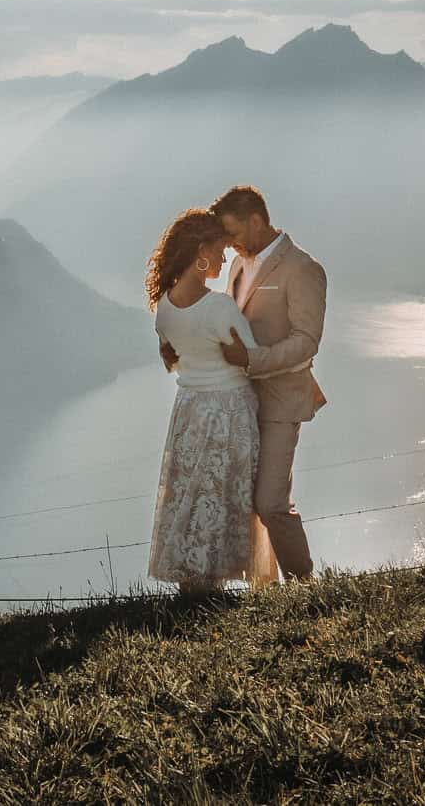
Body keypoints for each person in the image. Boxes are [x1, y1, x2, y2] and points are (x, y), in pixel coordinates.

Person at [145, 207, 279, 592]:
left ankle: (196, 587)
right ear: (201, 251)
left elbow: (171, 355)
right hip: (229, 411)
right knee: (225, 496)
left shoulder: (165, 308)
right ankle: (228, 585)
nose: (224, 259)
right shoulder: (219, 308)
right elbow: (252, 358)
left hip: (189, 411)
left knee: (193, 497)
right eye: (220, 251)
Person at [209, 184, 328, 581]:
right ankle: (264, 590)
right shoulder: (238, 266)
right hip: (240, 403)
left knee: (271, 501)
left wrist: (253, 360)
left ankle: (304, 585)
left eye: (234, 233)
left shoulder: (303, 268)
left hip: (281, 401)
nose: (230, 244)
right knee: (247, 501)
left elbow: (306, 342)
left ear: (256, 221)